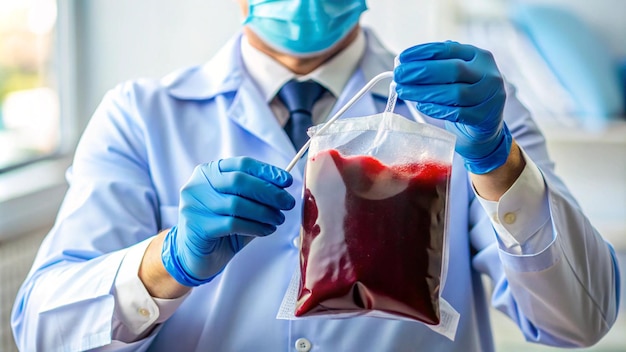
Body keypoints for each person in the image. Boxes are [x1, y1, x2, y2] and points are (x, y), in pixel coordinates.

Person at [12, 0, 620, 351]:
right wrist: (166, 264)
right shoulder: (140, 116)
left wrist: (497, 159)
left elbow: (581, 319)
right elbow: (41, 328)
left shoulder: (471, 107)